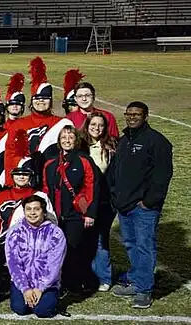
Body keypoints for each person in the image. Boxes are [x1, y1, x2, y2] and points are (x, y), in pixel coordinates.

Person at [108, 101, 173, 309]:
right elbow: (116, 170)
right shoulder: (124, 139)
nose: (132, 117)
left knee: (145, 246)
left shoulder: (157, 141)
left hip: (143, 207)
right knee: (130, 244)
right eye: (129, 114)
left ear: (146, 116)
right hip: (124, 204)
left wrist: (149, 202)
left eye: (137, 114)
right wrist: (115, 195)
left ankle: (144, 289)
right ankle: (136, 280)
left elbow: (162, 176)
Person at [42, 126, 100, 295]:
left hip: (75, 214)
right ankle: (56, 281)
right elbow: (46, 189)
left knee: (73, 249)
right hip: (55, 215)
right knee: (54, 250)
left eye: (71, 137)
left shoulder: (84, 160)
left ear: (76, 140)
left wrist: (90, 212)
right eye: (64, 137)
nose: (67, 140)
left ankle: (73, 282)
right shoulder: (50, 163)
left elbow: (92, 187)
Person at [6, 195, 66, 318]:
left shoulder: (56, 233)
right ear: (24, 212)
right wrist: (25, 288)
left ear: (43, 212)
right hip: (22, 282)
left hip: (47, 284)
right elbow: (13, 263)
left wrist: (40, 288)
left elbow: (54, 265)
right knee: (20, 309)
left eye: (36, 209)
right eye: (28, 209)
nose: (32, 213)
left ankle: (51, 298)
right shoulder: (14, 231)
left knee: (42, 311)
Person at [81, 113, 117, 292]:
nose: (97, 128)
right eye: (93, 124)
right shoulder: (80, 146)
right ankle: (86, 275)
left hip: (104, 201)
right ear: (87, 125)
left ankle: (104, 276)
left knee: (102, 239)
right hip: (83, 201)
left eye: (101, 125)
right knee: (85, 238)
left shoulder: (111, 146)